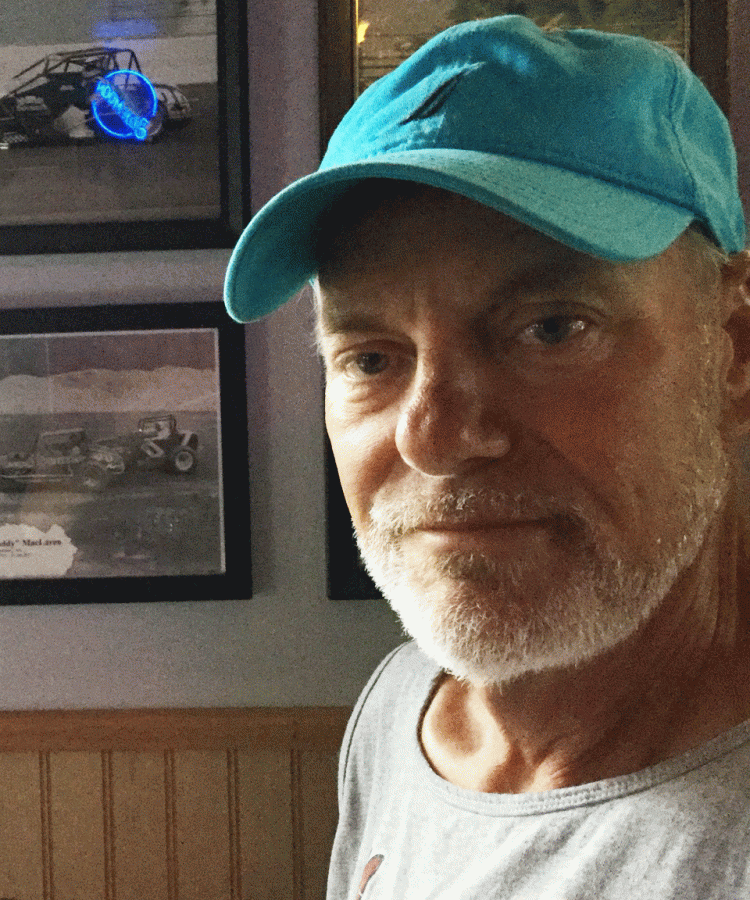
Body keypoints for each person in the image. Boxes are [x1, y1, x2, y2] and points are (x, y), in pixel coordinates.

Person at [224, 15, 750, 899]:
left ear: (732, 348)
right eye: (371, 358)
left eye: (550, 328)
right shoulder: (405, 708)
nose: (431, 440)